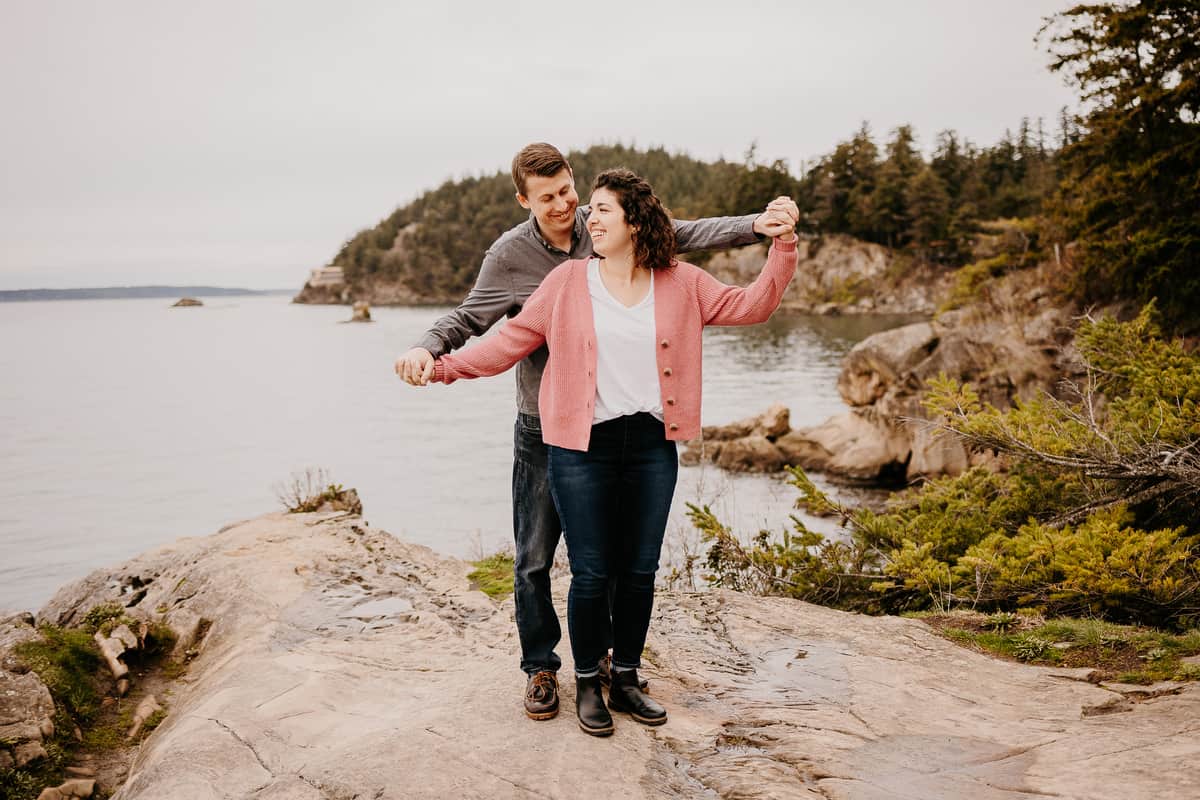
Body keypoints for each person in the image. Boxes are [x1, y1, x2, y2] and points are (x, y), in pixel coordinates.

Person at [394, 143, 798, 722]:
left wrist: (769, 234)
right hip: (552, 428)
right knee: (547, 561)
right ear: (524, 200)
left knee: (631, 568)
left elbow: (724, 271)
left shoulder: (669, 274)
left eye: (575, 194)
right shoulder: (534, 266)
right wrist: (435, 360)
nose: (573, 209)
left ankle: (621, 672)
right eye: (550, 198)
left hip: (648, 441)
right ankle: (550, 671)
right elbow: (493, 335)